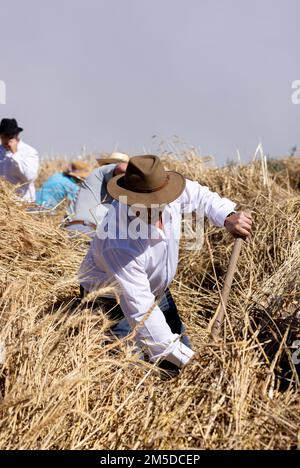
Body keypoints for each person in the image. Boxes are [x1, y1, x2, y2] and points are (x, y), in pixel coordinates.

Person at [79, 155, 253, 373]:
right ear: (129, 199)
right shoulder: (118, 241)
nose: (156, 208)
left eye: (159, 201)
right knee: (128, 372)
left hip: (157, 292)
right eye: (147, 204)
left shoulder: (168, 191)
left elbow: (201, 196)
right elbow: (143, 317)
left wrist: (228, 216)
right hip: (112, 302)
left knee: (178, 368)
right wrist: (198, 365)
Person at [64, 152, 129, 237]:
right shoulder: (103, 172)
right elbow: (122, 168)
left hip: (83, 231)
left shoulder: (113, 192)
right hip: (82, 229)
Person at [0, 118, 39, 202]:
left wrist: (15, 154)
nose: (6, 140)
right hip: (4, 203)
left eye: (9, 137)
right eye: (4, 137)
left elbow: (29, 177)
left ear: (17, 136)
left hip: (23, 204)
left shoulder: (29, 152)